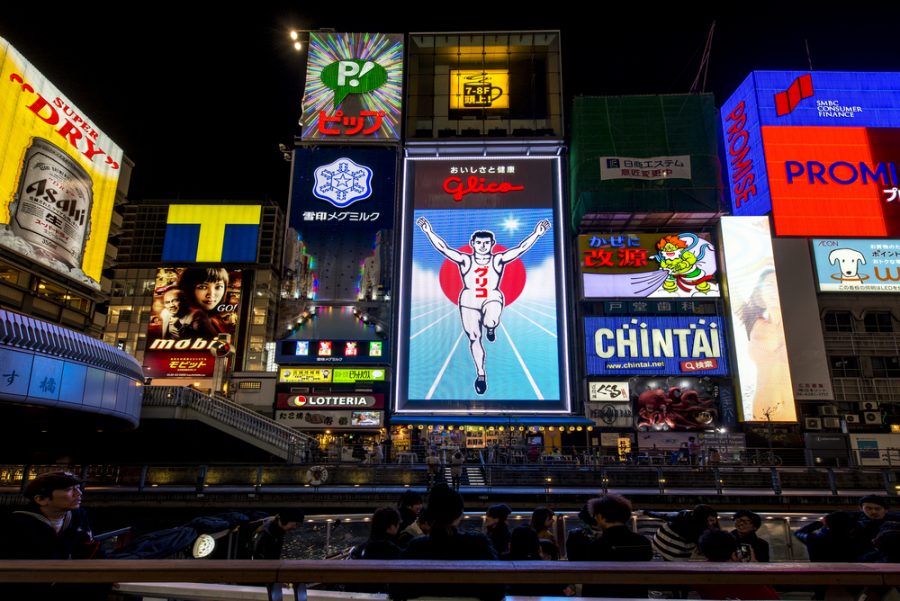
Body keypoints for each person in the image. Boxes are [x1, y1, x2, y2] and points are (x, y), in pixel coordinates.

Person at [416, 217, 551, 394]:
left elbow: (520, 249)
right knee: (474, 337)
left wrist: (537, 234)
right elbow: (444, 248)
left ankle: (491, 327)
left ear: (492, 244)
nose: (482, 246)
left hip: (492, 297)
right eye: (479, 243)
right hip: (469, 301)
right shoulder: (465, 260)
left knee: (491, 319)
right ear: (472, 243)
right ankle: (481, 373)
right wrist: (428, 231)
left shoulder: (498, 259)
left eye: (486, 243)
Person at [0, 471, 106, 600]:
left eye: (78, 488)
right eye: (69, 490)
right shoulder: (17, 524)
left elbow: (90, 548)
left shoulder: (78, 515)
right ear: (41, 499)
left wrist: (107, 574)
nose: (79, 494)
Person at [397, 483, 502, 601]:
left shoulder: (415, 547)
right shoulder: (479, 545)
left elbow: (398, 590)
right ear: (458, 516)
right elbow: (497, 589)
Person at [583, 494, 653, 599]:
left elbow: (590, 583)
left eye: (595, 516)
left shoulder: (595, 546)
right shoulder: (644, 542)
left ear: (601, 517)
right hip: (637, 597)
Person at [694, 529, 780, 600]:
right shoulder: (748, 577)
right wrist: (754, 567)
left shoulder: (699, 574)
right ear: (733, 550)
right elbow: (774, 598)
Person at [646, 504, 718, 561]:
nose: (711, 523)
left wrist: (647, 512)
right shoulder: (687, 521)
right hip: (672, 542)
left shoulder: (685, 516)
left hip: (666, 539)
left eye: (713, 520)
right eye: (710, 520)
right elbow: (664, 515)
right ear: (702, 519)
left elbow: (664, 515)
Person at [177, 267, 230, 336]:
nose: (211, 294)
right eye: (202, 287)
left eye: (218, 287)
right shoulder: (197, 321)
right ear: (188, 288)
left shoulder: (214, 319)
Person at [794, 511, 865, 562]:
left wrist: (819, 523)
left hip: (822, 574)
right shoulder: (856, 540)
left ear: (827, 525)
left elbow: (798, 533)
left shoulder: (814, 539)